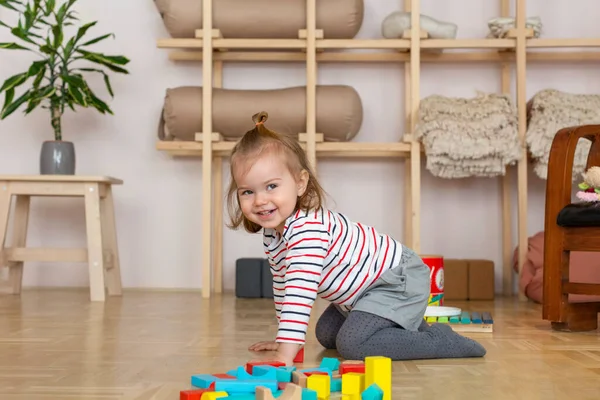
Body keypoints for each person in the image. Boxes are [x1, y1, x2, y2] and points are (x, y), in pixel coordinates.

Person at [226, 111, 487, 366]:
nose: (260, 200)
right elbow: (284, 285)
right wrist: (284, 341)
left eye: (271, 186)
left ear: (300, 183)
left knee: (353, 345)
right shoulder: (274, 234)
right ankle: (403, 323)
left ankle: (440, 341)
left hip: (397, 280)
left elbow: (300, 293)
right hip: (362, 295)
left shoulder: (307, 231)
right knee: (327, 335)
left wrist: (284, 355)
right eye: (248, 191)